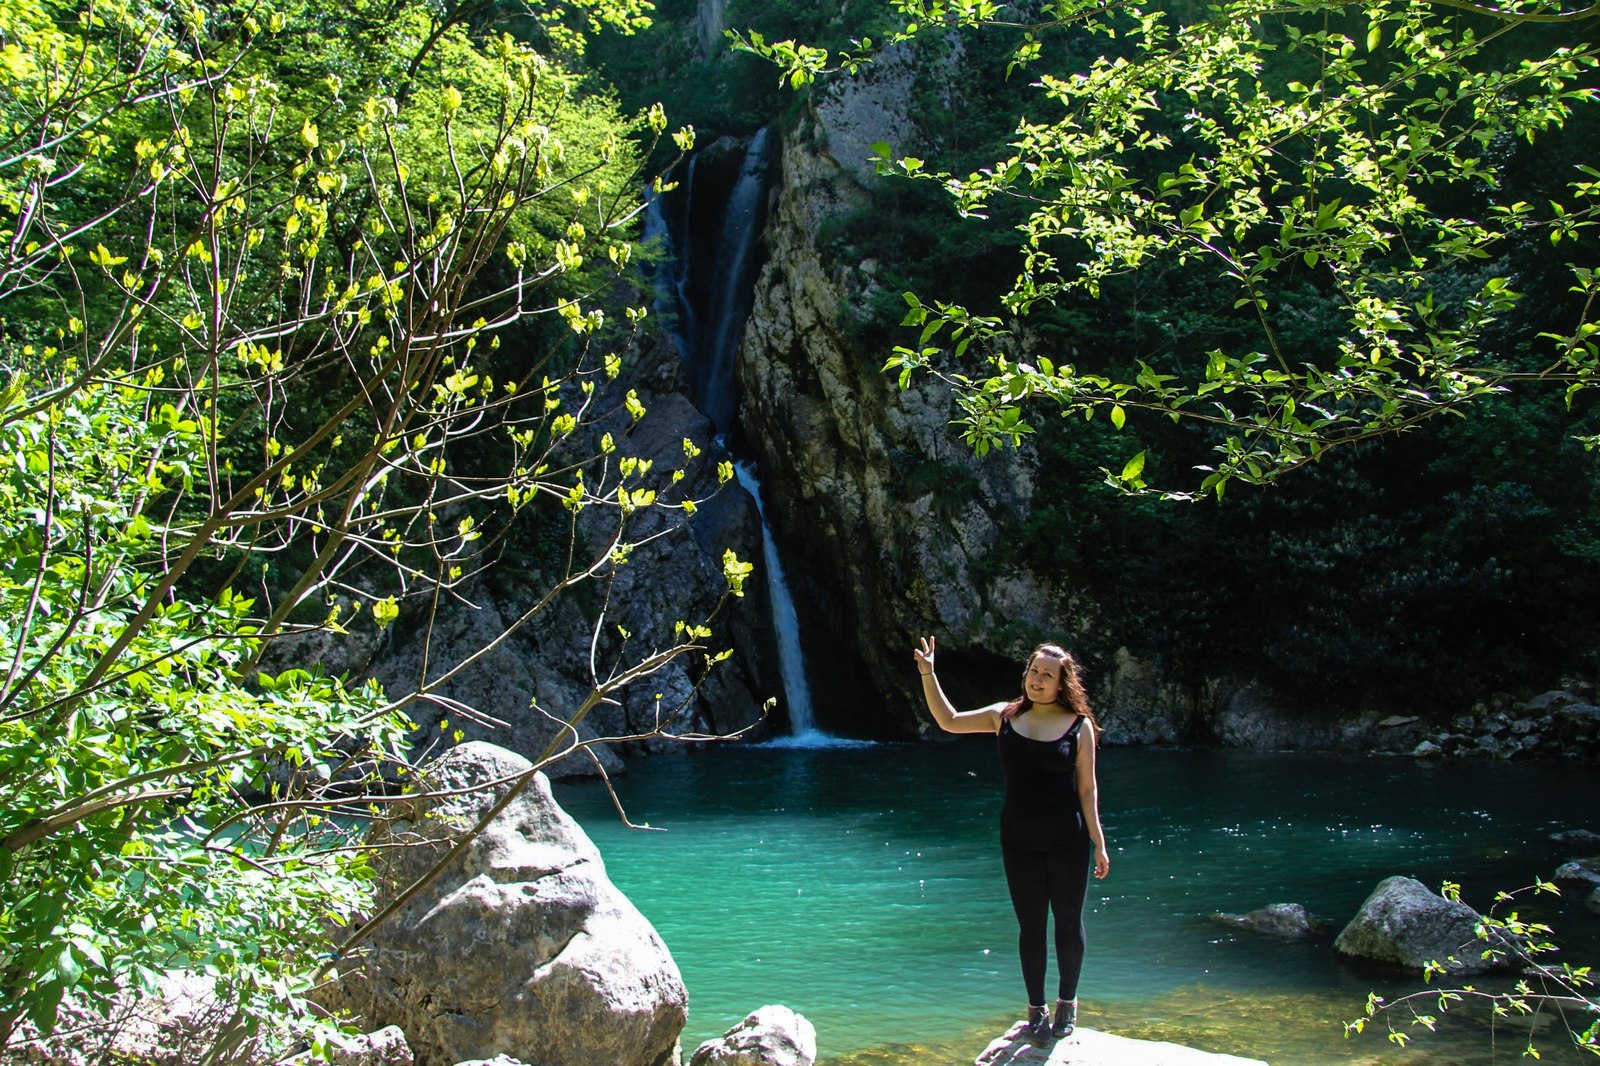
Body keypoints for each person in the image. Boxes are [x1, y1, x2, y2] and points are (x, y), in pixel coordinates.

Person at [913, 635, 1110, 1047]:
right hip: (1018, 838)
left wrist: (1099, 841)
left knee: (1069, 923)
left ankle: (1067, 1005)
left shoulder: (1079, 727)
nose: (1037, 680)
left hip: (1067, 839)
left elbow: (1087, 790)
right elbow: (948, 720)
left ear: (1062, 683)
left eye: (1047, 675)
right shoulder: (1004, 715)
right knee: (1031, 926)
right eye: (1033, 671)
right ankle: (1035, 1010)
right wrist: (929, 674)